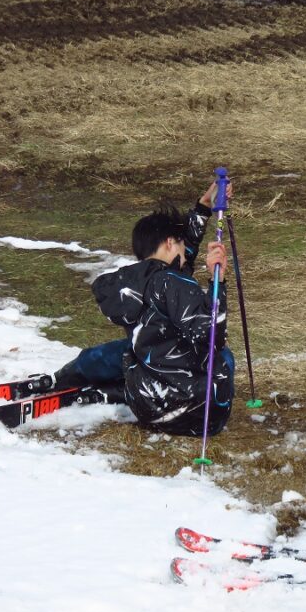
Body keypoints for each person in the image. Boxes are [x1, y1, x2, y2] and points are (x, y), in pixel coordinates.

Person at [52, 180, 235, 437]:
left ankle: (66, 378)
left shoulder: (135, 283)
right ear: (171, 243)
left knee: (125, 351)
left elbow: (180, 263)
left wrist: (204, 207)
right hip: (196, 414)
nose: (187, 253)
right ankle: (108, 392)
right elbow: (211, 335)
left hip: (146, 405)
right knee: (224, 357)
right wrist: (218, 282)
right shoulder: (173, 283)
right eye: (182, 245)